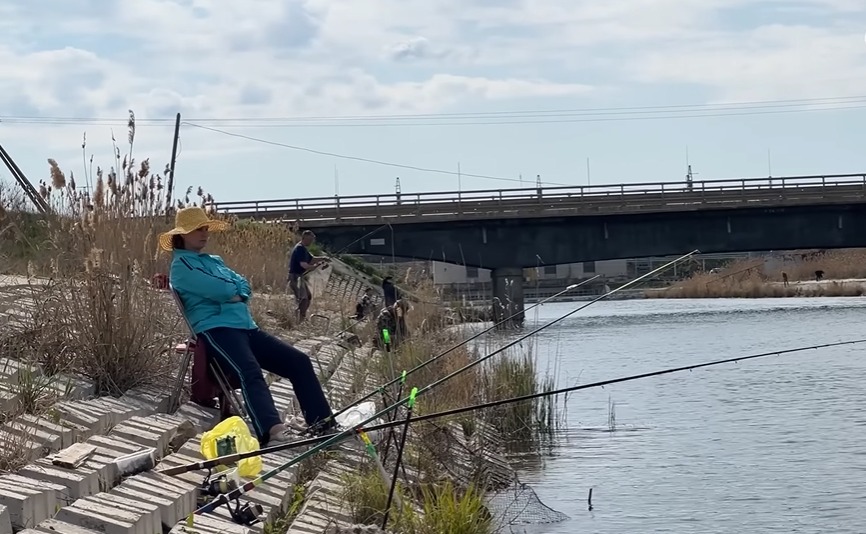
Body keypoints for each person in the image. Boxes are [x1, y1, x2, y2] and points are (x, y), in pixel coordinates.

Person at [160, 207, 338, 445]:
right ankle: (272, 431)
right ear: (182, 234)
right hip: (216, 329)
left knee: (299, 362)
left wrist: (235, 292)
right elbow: (223, 289)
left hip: (246, 327)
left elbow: (243, 285)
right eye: (197, 230)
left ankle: (323, 424)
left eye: (205, 228)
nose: (204, 233)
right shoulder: (182, 266)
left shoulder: (214, 261)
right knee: (249, 370)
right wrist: (232, 291)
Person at [287, 230, 328, 322]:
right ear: (304, 238)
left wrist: (323, 258)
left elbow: (312, 259)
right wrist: (315, 266)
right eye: (309, 239)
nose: (311, 242)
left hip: (299, 277)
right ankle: (300, 319)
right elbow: (304, 265)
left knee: (308, 297)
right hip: (295, 277)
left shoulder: (303, 249)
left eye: (312, 240)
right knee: (303, 299)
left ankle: (300, 316)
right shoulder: (299, 249)